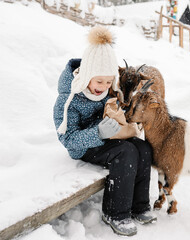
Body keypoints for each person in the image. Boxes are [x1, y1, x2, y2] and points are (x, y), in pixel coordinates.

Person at [53, 26, 156, 237]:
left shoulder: (104, 90)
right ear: (87, 75)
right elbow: (68, 139)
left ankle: (139, 205)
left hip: (107, 138)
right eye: (99, 81)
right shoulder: (68, 99)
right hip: (83, 147)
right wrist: (98, 133)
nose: (104, 86)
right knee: (125, 152)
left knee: (143, 147)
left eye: (108, 82)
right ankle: (115, 213)